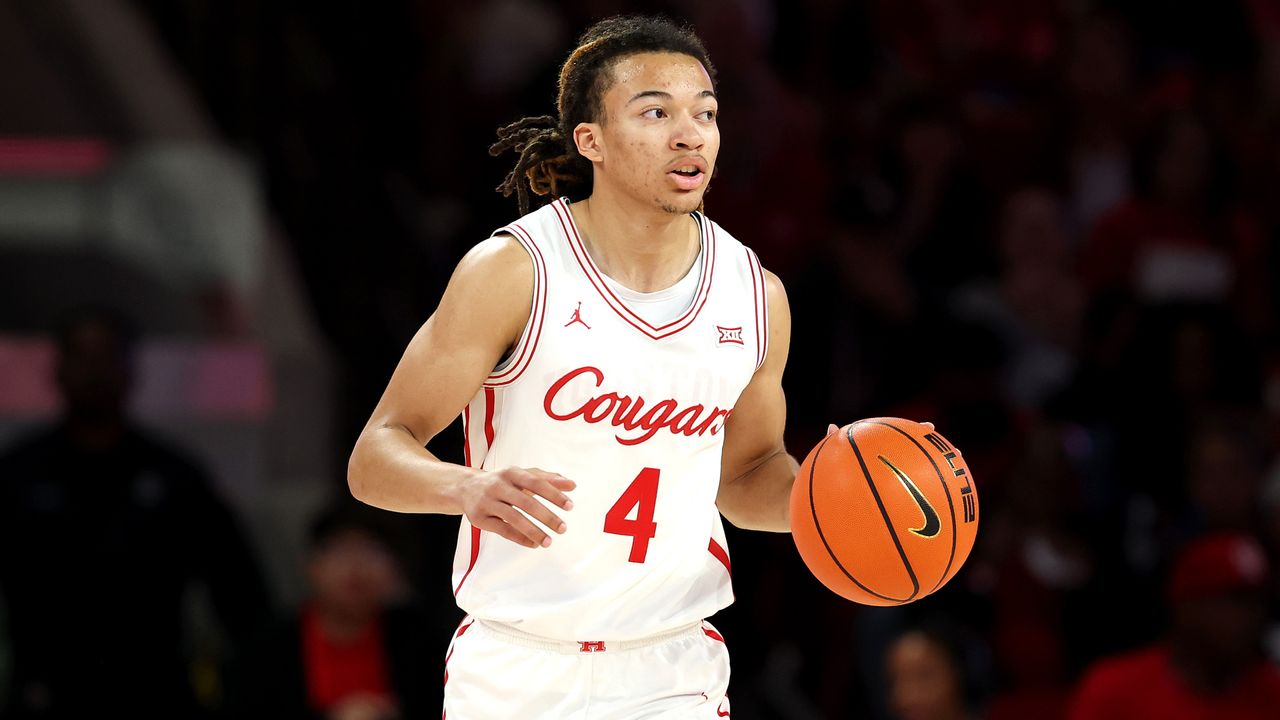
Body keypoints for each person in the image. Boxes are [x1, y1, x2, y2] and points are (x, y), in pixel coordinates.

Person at [347, 15, 805, 718]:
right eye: (656, 112)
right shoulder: (515, 271)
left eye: (705, 113)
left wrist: (831, 502)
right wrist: (464, 487)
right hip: (516, 665)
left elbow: (745, 478)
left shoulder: (755, 295)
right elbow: (375, 456)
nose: (690, 134)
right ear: (591, 140)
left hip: (672, 667)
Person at [0, 307, 273, 718]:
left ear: (130, 370)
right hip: (44, 691)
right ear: (58, 369)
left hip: (154, 689)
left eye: (107, 357)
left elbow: (240, 595)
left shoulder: (175, 476)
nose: (95, 373)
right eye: (81, 357)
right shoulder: (18, 473)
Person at [233, 498, 449, 719]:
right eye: (341, 550)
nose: (356, 566)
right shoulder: (268, 650)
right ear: (312, 566)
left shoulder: (421, 640)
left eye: (373, 550)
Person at [1067, 533, 1280, 720]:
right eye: (1235, 601)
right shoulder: (1114, 690)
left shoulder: (1273, 693)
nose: (1252, 618)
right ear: (1186, 607)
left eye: (1258, 603)